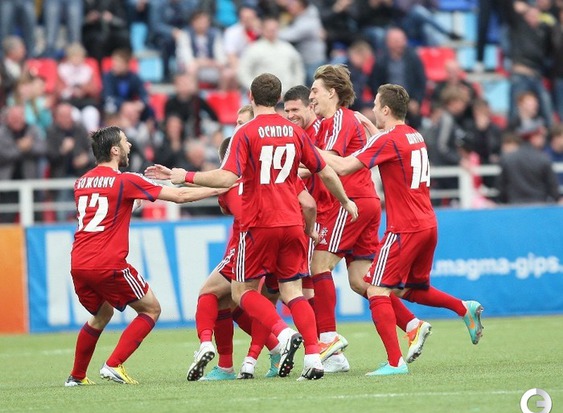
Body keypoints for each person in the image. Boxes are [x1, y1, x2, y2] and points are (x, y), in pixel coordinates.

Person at [163, 73, 357, 380]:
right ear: (278, 99)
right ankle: (313, 357)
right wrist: (345, 200)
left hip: (259, 224)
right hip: (292, 222)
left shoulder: (246, 132)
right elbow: (325, 171)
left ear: (251, 98)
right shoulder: (295, 132)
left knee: (241, 291)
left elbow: (227, 177)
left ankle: (282, 334)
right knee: (292, 291)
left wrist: (185, 175)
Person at [320, 84, 484, 376]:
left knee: (376, 289)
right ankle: (463, 308)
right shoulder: (413, 135)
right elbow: (387, 148)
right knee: (410, 289)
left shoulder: (388, 140)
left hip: (404, 228)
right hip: (428, 223)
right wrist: (373, 130)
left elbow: (344, 166)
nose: (372, 109)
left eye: (376, 105)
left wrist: (309, 149)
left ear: (385, 109)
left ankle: (395, 362)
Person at [64, 125, 227, 386]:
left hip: (79, 263)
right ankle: (114, 364)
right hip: (107, 262)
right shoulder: (126, 180)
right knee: (151, 309)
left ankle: (76, 376)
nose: (129, 145)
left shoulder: (81, 182)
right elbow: (179, 196)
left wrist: (132, 202)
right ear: (115, 150)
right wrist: (220, 189)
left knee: (101, 315)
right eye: (125, 142)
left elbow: (102, 211)